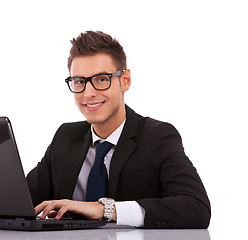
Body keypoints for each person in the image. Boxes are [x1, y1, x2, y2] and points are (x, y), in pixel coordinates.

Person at [26, 31, 211, 229]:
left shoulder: (157, 137)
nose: (88, 93)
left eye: (101, 79)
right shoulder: (65, 137)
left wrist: (104, 209)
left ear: (125, 81)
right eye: (79, 81)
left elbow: (196, 208)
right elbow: (18, 199)